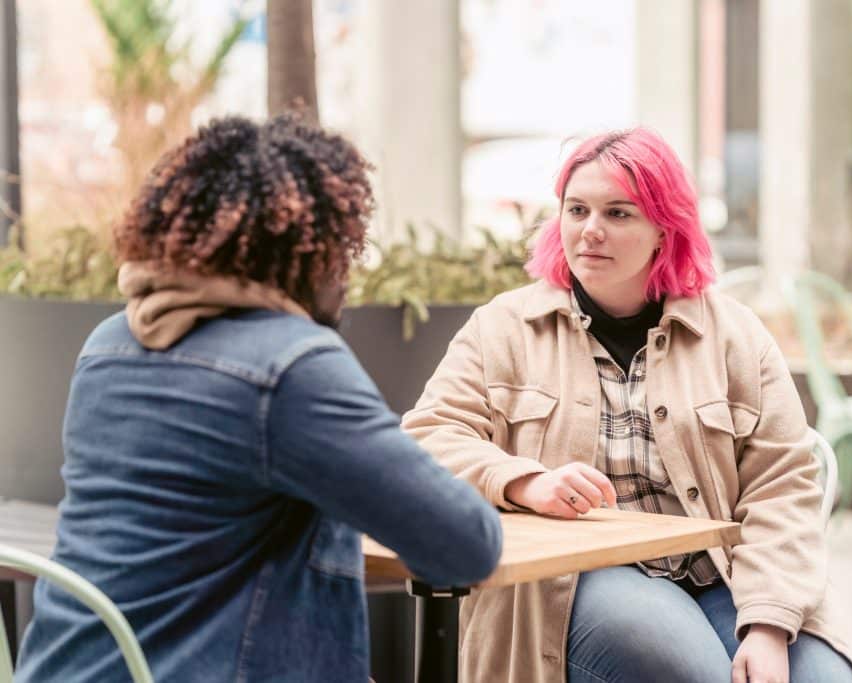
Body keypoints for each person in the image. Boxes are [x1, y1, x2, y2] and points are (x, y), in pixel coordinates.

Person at [14, 115, 502, 683]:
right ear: (309, 250)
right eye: (342, 247)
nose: (347, 271)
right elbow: (466, 546)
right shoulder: (292, 366)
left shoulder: (109, 344)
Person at [402, 128, 852, 683]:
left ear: (663, 231)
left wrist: (768, 624)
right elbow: (427, 437)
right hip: (583, 576)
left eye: (619, 214)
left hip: (729, 574)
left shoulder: (734, 335)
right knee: (697, 674)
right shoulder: (502, 328)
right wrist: (522, 481)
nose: (590, 231)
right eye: (576, 210)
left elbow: (784, 485)